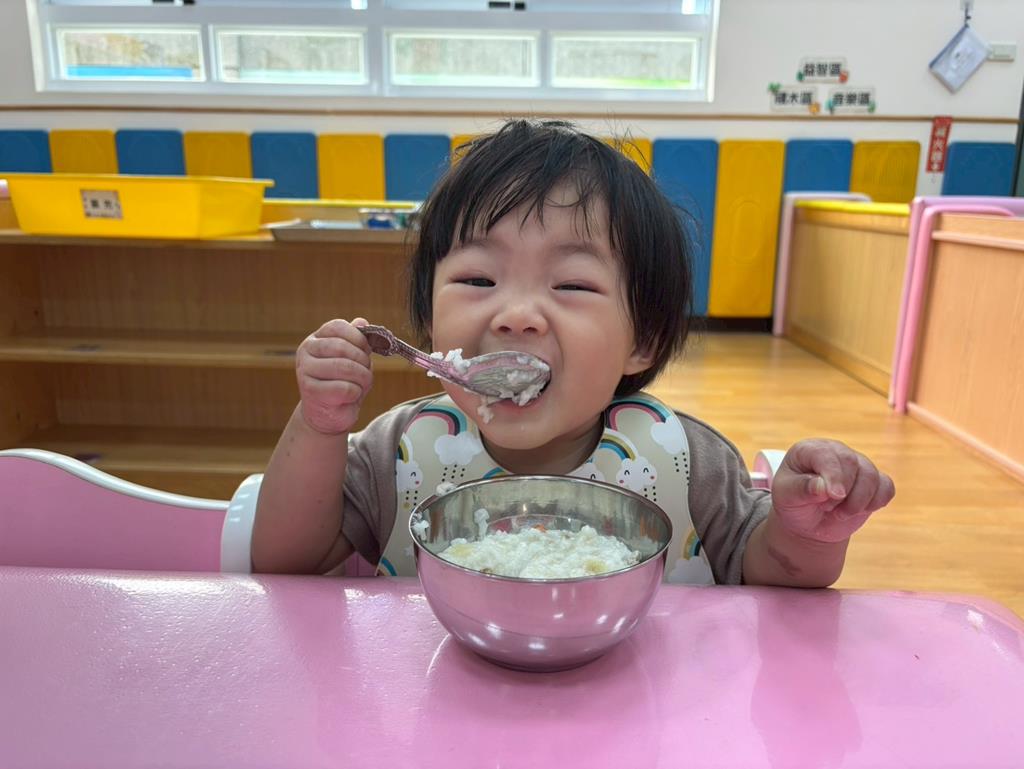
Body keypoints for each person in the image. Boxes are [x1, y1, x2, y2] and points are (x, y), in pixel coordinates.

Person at [252, 119, 895, 587]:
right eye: (478, 278)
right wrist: (320, 425)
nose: (516, 314)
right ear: (428, 323)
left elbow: (770, 578)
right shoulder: (398, 453)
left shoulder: (684, 461)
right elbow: (286, 564)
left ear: (642, 339)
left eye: (572, 285)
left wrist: (804, 533)